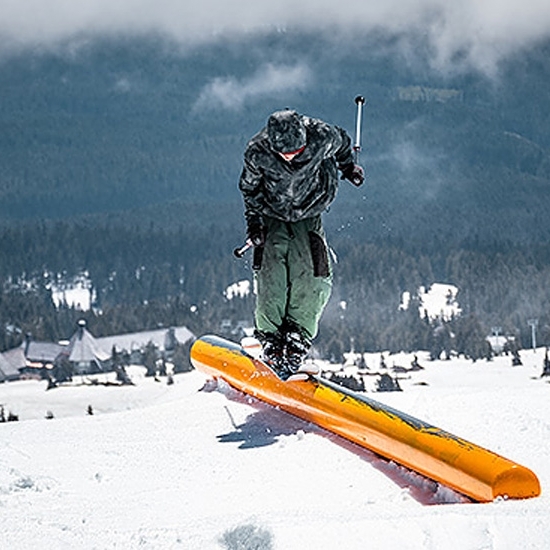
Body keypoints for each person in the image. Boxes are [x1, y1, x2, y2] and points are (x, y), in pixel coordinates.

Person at [239, 108, 364, 379]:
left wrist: (349, 167)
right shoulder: (257, 151)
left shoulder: (321, 135)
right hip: (271, 213)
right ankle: (271, 339)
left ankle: (296, 337)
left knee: (311, 275)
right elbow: (250, 188)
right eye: (283, 153)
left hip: (310, 210)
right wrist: (254, 224)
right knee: (272, 276)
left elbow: (343, 143)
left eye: (295, 152)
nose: (289, 157)